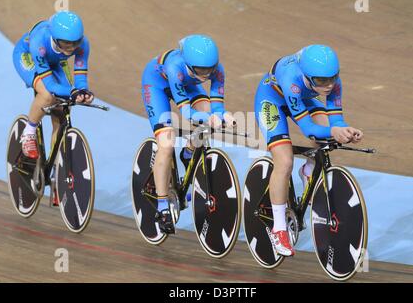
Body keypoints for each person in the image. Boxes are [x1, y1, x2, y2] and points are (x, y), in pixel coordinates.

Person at [254, 44, 364, 257]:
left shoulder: (330, 80)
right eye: (322, 81)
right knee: (284, 161)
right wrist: (333, 130)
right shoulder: (291, 78)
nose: (329, 85)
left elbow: (335, 119)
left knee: (326, 137)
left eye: (333, 78)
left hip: (304, 98)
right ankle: (278, 228)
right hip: (272, 101)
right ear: (307, 76)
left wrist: (345, 130)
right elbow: (308, 129)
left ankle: (309, 170)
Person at [141, 34, 236, 234]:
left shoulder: (217, 70)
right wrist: (209, 118)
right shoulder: (176, 66)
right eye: (201, 70)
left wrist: (222, 115)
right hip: (157, 85)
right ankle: (162, 206)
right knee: (166, 143)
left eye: (209, 70)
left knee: (208, 114)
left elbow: (217, 105)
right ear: (189, 63)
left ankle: (189, 150)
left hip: (188, 84)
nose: (206, 74)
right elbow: (186, 113)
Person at [12, 10, 93, 205]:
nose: (71, 48)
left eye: (74, 43)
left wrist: (82, 91)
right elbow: (50, 85)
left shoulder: (83, 45)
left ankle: (56, 172)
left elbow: (80, 75)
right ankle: (29, 133)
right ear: (56, 38)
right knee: (48, 95)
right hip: (29, 58)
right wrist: (71, 91)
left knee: (63, 109)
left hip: (56, 63)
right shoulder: (40, 40)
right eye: (66, 44)